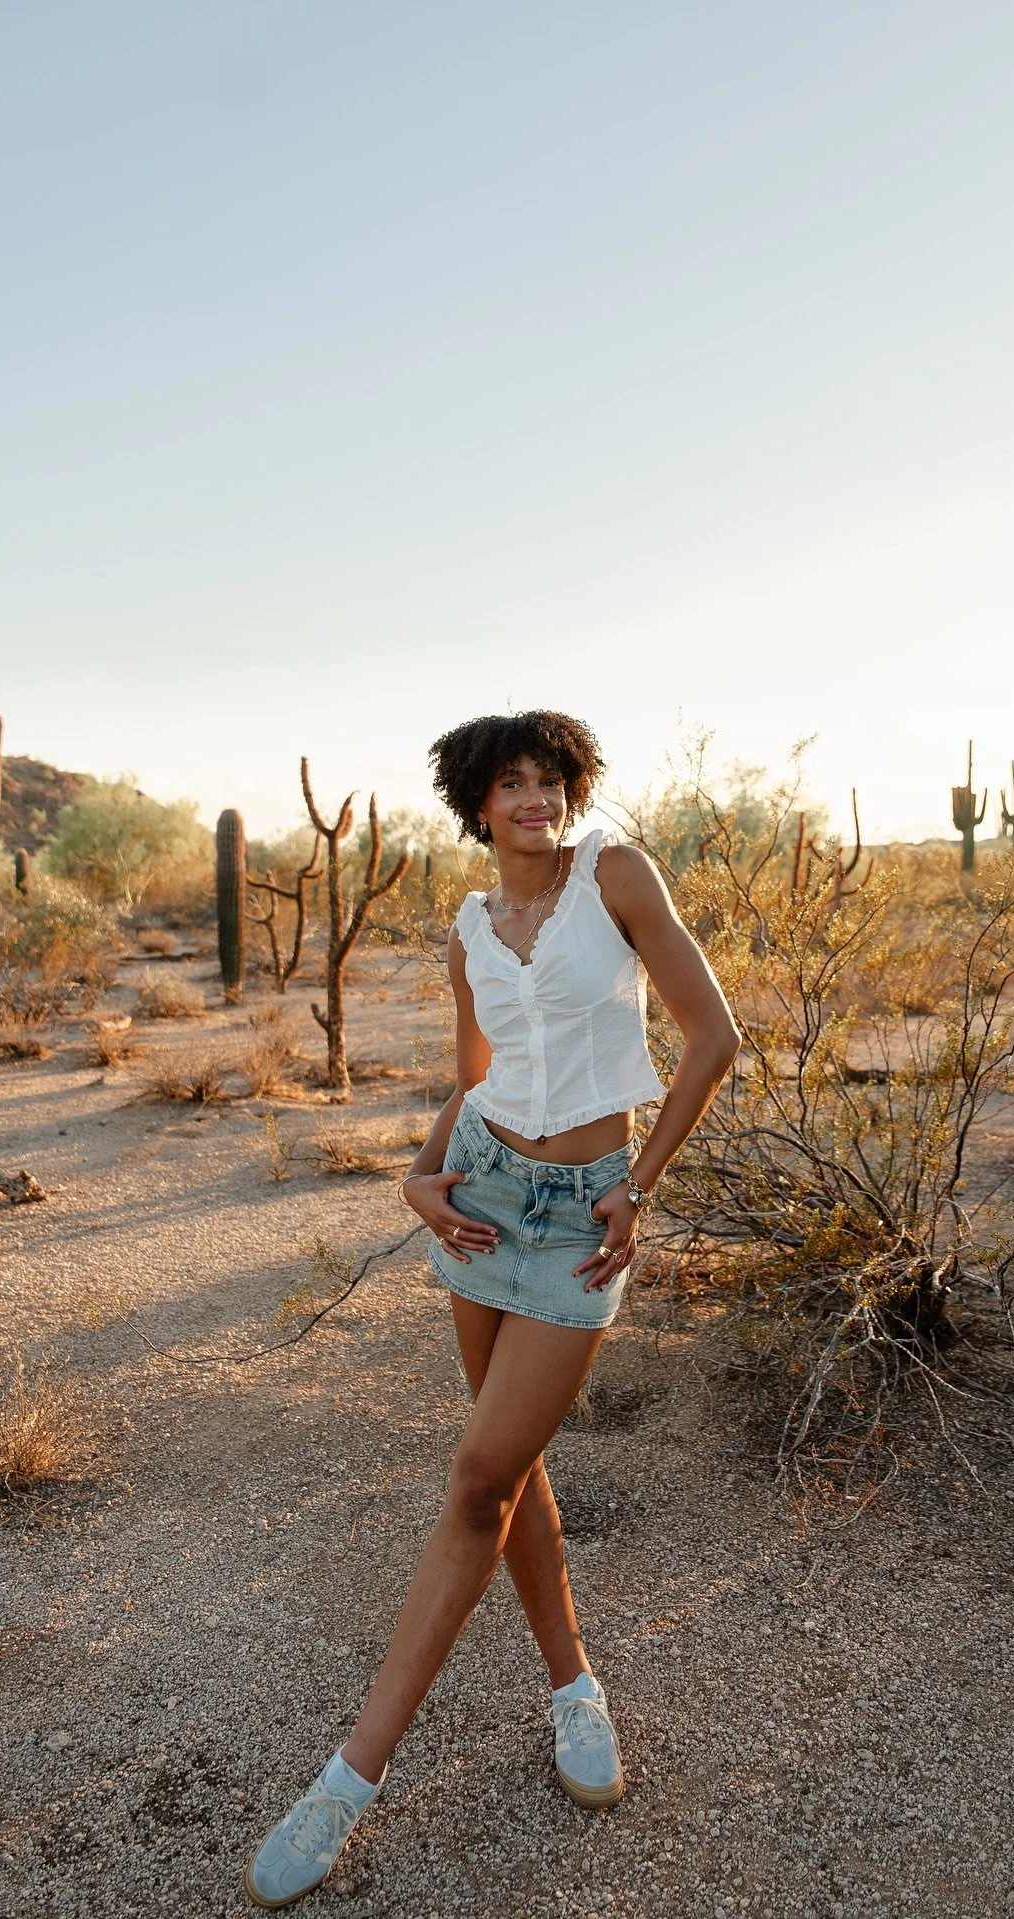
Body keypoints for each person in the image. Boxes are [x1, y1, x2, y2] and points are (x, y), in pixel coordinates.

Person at [245, 710, 740, 1909]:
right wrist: (420, 1175)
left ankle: (347, 1780)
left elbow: (714, 1036)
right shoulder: (468, 926)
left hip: (580, 1217)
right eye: (509, 784)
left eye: (550, 778)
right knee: (500, 1472)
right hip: (483, 1194)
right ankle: (575, 1685)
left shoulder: (615, 874)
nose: (535, 798)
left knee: (475, 1476)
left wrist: (640, 1182)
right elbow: (476, 1078)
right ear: (473, 805)